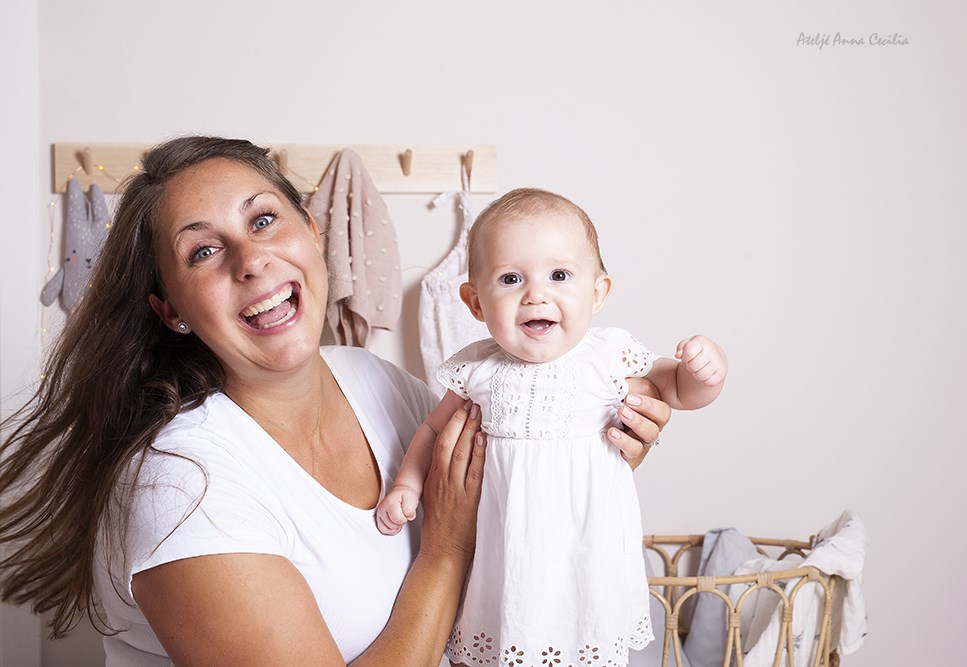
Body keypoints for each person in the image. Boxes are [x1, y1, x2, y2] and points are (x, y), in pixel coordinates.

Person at [0, 137, 671, 666]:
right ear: (170, 309)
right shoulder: (182, 485)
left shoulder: (379, 383)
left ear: (313, 235)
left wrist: (595, 447)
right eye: (204, 250)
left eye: (264, 219)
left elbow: (519, 520)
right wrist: (443, 551)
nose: (252, 259)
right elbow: (461, 538)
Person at [375, 188, 728, 667]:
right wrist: (407, 485)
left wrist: (704, 372)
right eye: (510, 278)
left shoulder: (606, 356)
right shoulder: (477, 369)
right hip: (505, 552)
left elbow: (676, 391)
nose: (535, 293)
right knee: (494, 640)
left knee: (587, 638)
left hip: (585, 551)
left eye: (559, 275)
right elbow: (433, 432)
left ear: (598, 292)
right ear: (475, 302)